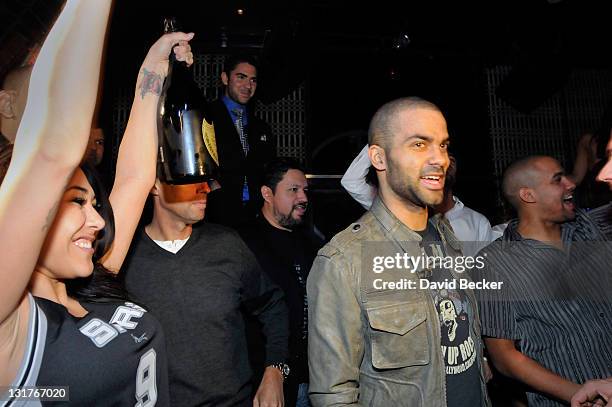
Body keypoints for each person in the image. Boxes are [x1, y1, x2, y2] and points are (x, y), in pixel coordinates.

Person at [0, 0, 194, 404]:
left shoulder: (92, 279)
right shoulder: (10, 320)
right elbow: (52, 150)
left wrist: (154, 68)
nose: (98, 220)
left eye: (94, 203)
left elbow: (135, 179)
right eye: (75, 201)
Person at [308, 97, 490, 406]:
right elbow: (333, 395)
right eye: (419, 145)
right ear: (378, 158)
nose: (439, 160)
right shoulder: (343, 261)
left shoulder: (448, 238)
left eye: (443, 146)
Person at [122, 168, 290, 404]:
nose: (205, 188)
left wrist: (275, 371)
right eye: (191, 179)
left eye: (206, 180)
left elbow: (273, 306)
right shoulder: (124, 259)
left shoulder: (226, 245)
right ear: (155, 185)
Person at [475, 155, 612, 406]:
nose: (571, 183)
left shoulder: (589, 228)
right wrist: (582, 395)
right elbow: (505, 358)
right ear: (529, 195)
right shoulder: (494, 263)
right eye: (558, 179)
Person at [239, 157, 323, 407]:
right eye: (293, 190)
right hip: (262, 382)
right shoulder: (244, 245)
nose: (303, 198)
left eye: (305, 190)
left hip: (309, 379)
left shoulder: (311, 243)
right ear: (267, 193)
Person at [341, 146, 501, 255]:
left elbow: (482, 276)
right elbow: (351, 181)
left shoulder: (477, 222)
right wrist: (382, 138)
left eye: (447, 159)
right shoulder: (399, 210)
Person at [205, 54, 276, 228]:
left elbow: (269, 168)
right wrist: (213, 187)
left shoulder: (261, 127)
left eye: (253, 80)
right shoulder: (205, 117)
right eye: (241, 77)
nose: (248, 85)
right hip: (215, 211)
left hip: (256, 213)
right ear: (225, 78)